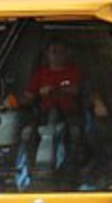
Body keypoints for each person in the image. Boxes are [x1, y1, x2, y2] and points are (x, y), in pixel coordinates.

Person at [20, 40, 86, 171]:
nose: (57, 56)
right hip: (44, 116)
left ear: (67, 54)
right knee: (27, 134)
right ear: (47, 54)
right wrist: (14, 102)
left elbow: (79, 89)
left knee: (76, 134)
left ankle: (72, 170)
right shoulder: (40, 74)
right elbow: (29, 96)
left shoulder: (74, 71)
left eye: (61, 52)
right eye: (53, 52)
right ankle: (31, 170)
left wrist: (56, 89)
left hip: (70, 114)